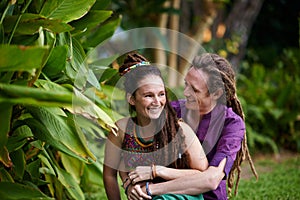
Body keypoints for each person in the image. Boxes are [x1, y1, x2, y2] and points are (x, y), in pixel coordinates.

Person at [132, 53, 258, 199]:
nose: (185, 92)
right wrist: (133, 186)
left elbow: (211, 179)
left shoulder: (231, 124)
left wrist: (152, 185)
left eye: (195, 90)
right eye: (186, 84)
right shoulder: (173, 110)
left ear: (216, 93)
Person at [103, 52, 211, 200]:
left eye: (161, 94)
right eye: (148, 95)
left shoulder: (180, 129)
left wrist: (156, 171)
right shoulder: (121, 130)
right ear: (132, 99)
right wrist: (129, 186)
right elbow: (109, 174)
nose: (157, 101)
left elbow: (201, 174)